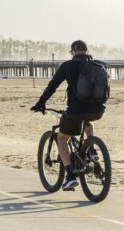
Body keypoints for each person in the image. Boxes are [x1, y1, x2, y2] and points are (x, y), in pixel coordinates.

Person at [31, 40, 106, 190]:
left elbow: (52, 86)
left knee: (61, 138)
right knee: (88, 121)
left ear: (73, 52)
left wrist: (41, 103)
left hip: (76, 109)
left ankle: (70, 176)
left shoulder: (67, 66)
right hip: (98, 109)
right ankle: (91, 148)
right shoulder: (98, 65)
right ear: (87, 51)